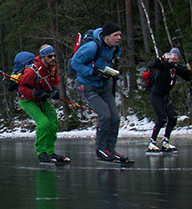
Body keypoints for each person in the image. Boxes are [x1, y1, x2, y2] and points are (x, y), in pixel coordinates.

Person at [70, 22, 130, 163]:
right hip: (87, 85)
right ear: (106, 37)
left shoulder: (114, 49)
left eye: (120, 35)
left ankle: (110, 149)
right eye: (116, 35)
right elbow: (75, 63)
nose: (119, 38)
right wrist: (92, 72)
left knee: (115, 117)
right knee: (105, 115)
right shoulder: (92, 47)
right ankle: (100, 149)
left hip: (104, 86)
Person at [18, 45, 70, 164]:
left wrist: (55, 90)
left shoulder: (52, 68)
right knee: (43, 123)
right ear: (42, 57)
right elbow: (22, 89)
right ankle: (41, 153)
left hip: (41, 100)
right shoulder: (31, 71)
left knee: (52, 121)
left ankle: (50, 151)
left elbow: (55, 81)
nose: (53, 58)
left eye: (54, 56)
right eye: (49, 56)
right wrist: (35, 93)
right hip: (27, 100)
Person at [146, 48, 192, 153]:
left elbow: (188, 78)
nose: (174, 57)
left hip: (165, 96)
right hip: (156, 95)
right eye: (172, 55)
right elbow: (151, 65)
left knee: (173, 117)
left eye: (177, 56)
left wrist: (188, 70)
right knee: (161, 119)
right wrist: (161, 58)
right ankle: (152, 142)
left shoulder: (175, 68)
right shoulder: (163, 65)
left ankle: (165, 141)